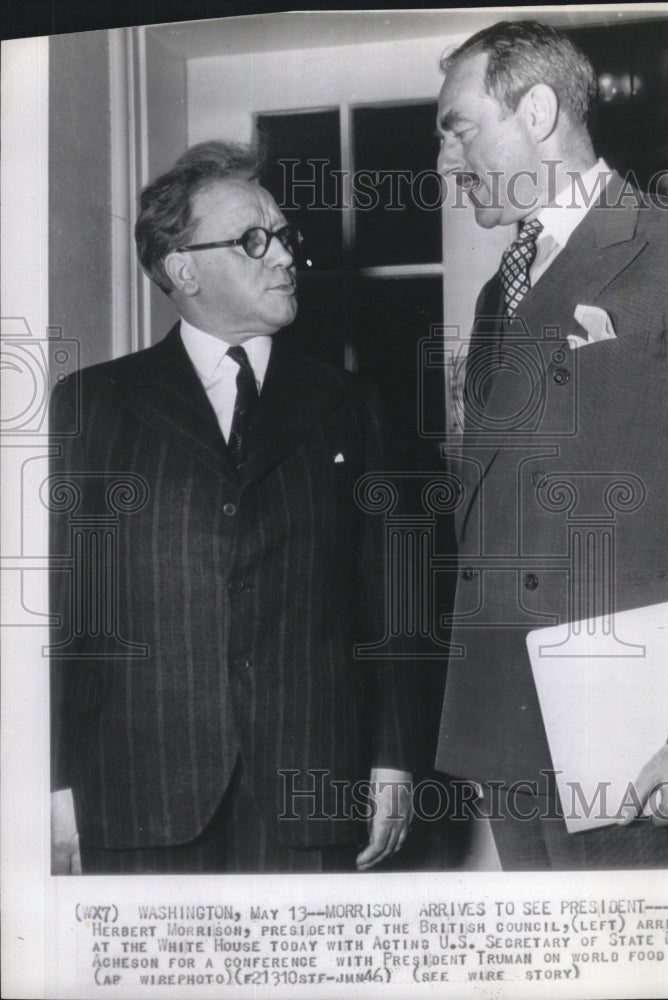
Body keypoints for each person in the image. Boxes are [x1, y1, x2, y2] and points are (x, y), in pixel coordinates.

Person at [49, 141, 416, 874]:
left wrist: (394, 761)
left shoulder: (350, 405)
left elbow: (393, 599)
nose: (285, 257)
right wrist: (53, 780)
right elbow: (64, 606)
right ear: (183, 267)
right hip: (135, 790)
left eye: (285, 237)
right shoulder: (94, 405)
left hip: (312, 789)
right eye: (255, 240)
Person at [434, 21, 668, 869]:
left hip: (637, 732)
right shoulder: (498, 296)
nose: (444, 161)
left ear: (536, 111)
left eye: (457, 127)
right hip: (506, 728)